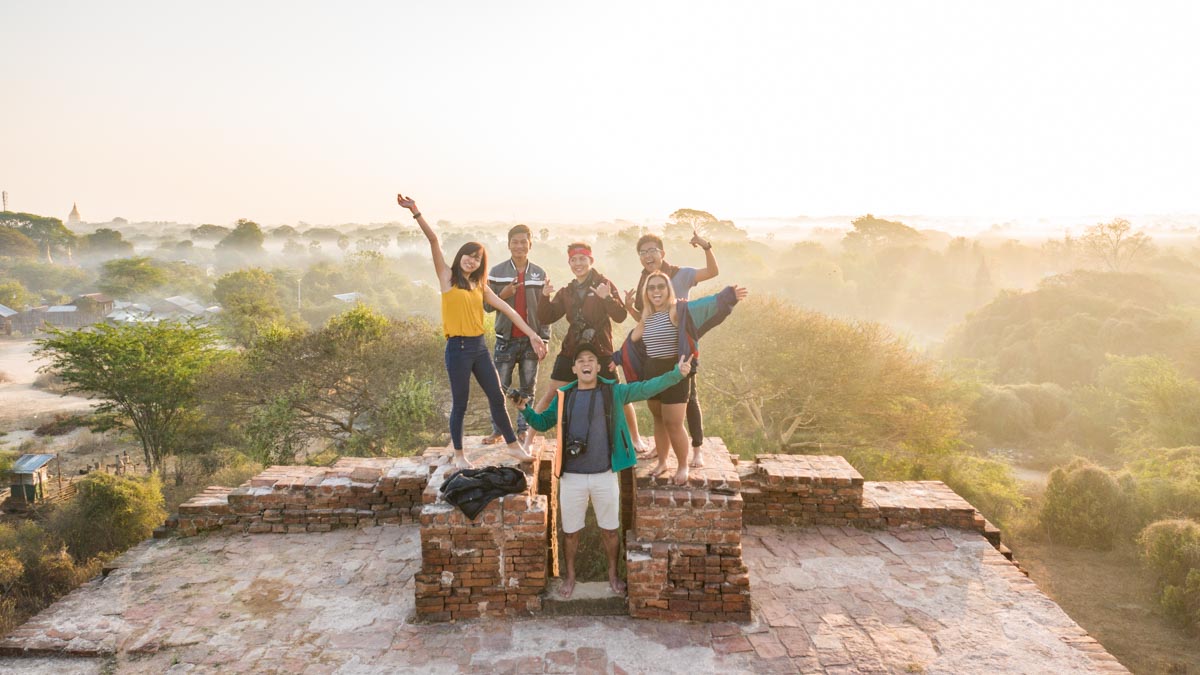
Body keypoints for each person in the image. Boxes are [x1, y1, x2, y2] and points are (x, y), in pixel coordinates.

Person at [516, 343, 693, 599]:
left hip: (605, 474)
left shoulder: (613, 392)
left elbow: (646, 388)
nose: (586, 363)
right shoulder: (564, 396)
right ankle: (571, 576)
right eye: (581, 360)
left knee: (610, 530)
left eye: (591, 359)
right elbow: (543, 422)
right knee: (571, 532)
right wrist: (524, 409)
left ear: (598, 367)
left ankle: (613, 574)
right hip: (571, 477)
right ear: (575, 368)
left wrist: (677, 374)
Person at [398, 193, 547, 468]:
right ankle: (458, 455)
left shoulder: (480, 286)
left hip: (479, 347)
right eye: (468, 255)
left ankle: (513, 445)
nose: (471, 261)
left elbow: (509, 310)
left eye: (477, 258)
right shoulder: (447, 277)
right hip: (457, 348)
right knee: (461, 404)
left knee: (497, 397)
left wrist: (533, 334)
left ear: (481, 263)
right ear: (461, 256)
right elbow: (433, 240)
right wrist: (415, 212)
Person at [616, 271, 746, 485]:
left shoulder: (677, 310)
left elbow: (703, 305)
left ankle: (683, 465)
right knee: (658, 419)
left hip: (676, 372)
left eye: (661, 286)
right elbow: (631, 341)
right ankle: (663, 462)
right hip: (652, 373)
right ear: (646, 293)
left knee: (674, 423)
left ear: (668, 290)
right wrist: (616, 358)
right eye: (651, 288)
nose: (656, 291)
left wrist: (727, 295)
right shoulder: (647, 317)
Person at [530, 242, 648, 451]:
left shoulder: (604, 284)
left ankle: (635, 438)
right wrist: (544, 296)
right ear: (569, 263)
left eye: (582, 259)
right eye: (573, 260)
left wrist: (607, 298)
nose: (578, 263)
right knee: (552, 394)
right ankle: (528, 440)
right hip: (572, 349)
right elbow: (546, 316)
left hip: (600, 349)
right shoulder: (567, 291)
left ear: (591, 260)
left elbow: (620, 316)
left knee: (617, 394)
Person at [625, 232, 719, 469]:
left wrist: (706, 246)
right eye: (643, 252)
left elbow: (712, 272)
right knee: (660, 406)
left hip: (682, 350)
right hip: (656, 353)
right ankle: (663, 452)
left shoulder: (680, 274)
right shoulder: (645, 281)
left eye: (652, 251)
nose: (648, 256)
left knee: (690, 399)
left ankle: (696, 450)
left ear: (662, 253)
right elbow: (645, 319)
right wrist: (627, 308)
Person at [482, 224, 550, 445]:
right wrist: (503, 293)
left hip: (532, 340)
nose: (519, 246)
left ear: (530, 244)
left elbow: (544, 311)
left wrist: (544, 339)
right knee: (498, 387)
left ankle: (523, 428)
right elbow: (487, 307)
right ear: (509, 244)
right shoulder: (497, 272)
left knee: (528, 387)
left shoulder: (539, 273)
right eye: (515, 242)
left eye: (523, 242)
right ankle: (498, 430)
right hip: (506, 339)